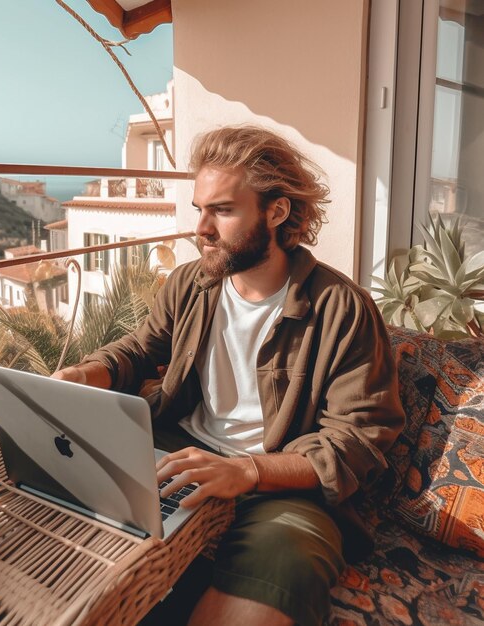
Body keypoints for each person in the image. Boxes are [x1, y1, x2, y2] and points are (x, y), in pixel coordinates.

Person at [52, 126, 405, 626]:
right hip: (175, 449)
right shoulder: (191, 283)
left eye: (221, 210)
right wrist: (90, 373)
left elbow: (358, 439)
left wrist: (248, 471)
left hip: (282, 487)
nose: (201, 227)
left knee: (282, 565)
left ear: (276, 211)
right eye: (200, 209)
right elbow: (142, 348)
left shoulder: (341, 309)